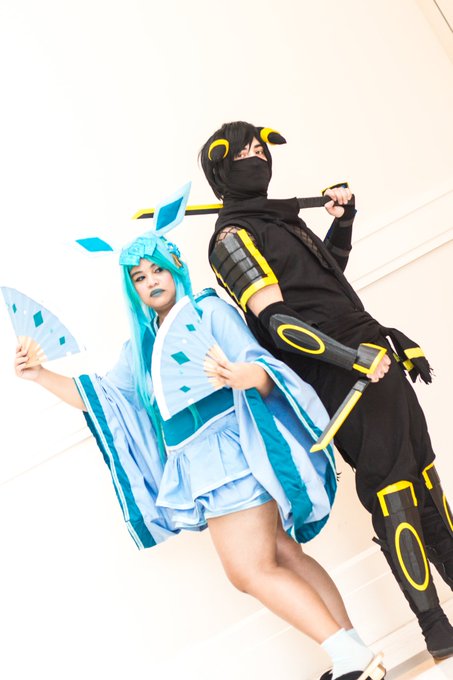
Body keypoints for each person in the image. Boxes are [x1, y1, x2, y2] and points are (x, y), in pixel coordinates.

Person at [14, 231, 385, 680]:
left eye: (158, 269)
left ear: (175, 268)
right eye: (139, 277)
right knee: (282, 553)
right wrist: (40, 374)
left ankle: (350, 656)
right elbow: (106, 399)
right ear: (132, 289)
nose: (151, 281)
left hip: (231, 454)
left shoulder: (208, 311)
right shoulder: (140, 348)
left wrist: (247, 375)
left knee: (248, 570)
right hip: (198, 462)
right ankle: (355, 652)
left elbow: (262, 369)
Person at [199, 120, 453, 660]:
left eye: (261, 148)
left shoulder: (279, 220)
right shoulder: (230, 238)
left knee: (423, 476)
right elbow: (279, 324)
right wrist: (351, 359)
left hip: (371, 351)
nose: (258, 156)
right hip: (340, 371)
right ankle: (436, 629)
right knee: (391, 489)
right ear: (221, 169)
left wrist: (343, 223)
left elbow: (325, 282)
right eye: (243, 152)